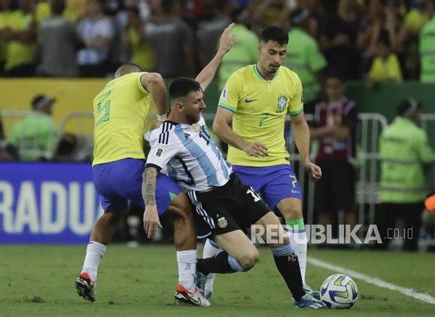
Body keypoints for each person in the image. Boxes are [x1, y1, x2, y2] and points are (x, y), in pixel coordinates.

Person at [75, 24, 235, 306]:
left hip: (100, 169)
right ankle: (187, 286)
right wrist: (163, 117)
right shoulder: (132, 79)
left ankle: (88, 273)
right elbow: (157, 79)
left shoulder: (101, 97)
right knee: (184, 210)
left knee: (113, 213)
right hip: (127, 164)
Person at [142, 77, 326, 309]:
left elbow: (201, 81)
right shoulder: (166, 137)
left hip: (235, 185)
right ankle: (201, 268)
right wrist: (150, 206)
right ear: (180, 106)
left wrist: (220, 53)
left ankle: (301, 297)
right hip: (211, 201)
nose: (203, 105)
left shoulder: (193, 118)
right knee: (249, 258)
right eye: (198, 101)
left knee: (280, 237)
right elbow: (150, 171)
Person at [212, 25, 321, 297]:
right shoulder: (239, 79)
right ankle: (203, 280)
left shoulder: (291, 80)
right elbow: (219, 125)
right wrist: (245, 144)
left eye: (282, 53)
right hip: (241, 166)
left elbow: (299, 123)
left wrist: (306, 158)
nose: (277, 59)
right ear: (260, 49)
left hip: (276, 164)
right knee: (226, 225)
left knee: (294, 210)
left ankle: (302, 286)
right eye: (272, 52)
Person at [376, 98, 434, 251]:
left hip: (388, 192)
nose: (419, 114)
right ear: (410, 113)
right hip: (411, 193)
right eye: (416, 110)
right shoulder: (417, 134)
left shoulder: (387, 132)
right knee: (410, 238)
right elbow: (427, 159)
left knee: (382, 238)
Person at [309, 75, 358, 229]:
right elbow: (309, 133)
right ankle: (325, 239)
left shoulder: (349, 106)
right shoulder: (319, 107)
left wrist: (322, 132)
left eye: (335, 86)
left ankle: (351, 240)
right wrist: (330, 130)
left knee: (347, 203)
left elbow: (345, 133)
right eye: (329, 86)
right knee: (323, 204)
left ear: (342, 87)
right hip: (322, 160)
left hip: (343, 161)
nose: (332, 90)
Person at [9, 94, 61, 161]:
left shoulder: (19, 124)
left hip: (20, 162)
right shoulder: (49, 124)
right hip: (43, 164)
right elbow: (55, 146)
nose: (51, 108)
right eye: (49, 105)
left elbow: (12, 144)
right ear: (42, 107)